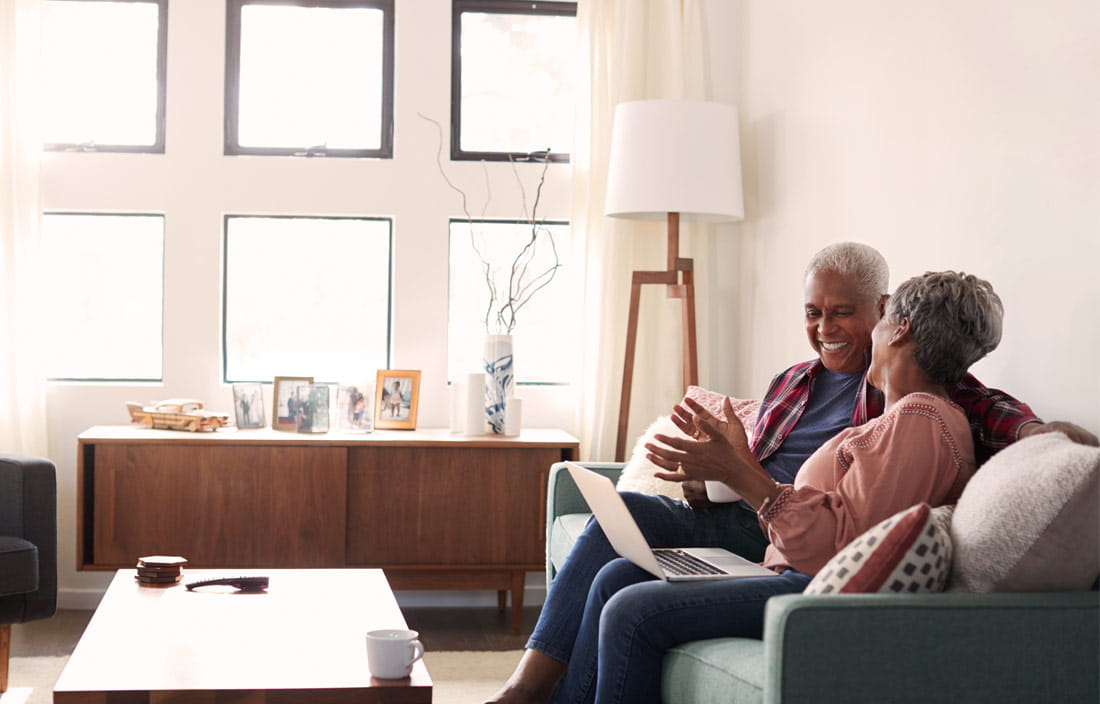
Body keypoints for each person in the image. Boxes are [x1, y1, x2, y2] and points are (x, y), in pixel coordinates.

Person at [486, 243, 1097, 704]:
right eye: (813, 312)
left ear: (894, 322)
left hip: (793, 558)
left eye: (849, 315)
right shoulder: (810, 387)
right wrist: (709, 470)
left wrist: (1039, 434)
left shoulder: (920, 416)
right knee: (616, 563)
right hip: (765, 529)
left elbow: (838, 537)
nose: (826, 328)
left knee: (631, 606)